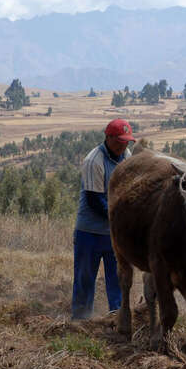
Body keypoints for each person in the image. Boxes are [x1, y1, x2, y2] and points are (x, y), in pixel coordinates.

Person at [71, 119, 135, 320]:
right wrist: (122, 217)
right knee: (85, 278)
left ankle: (116, 318)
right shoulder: (94, 160)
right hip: (89, 232)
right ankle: (81, 320)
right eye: (119, 141)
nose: (123, 145)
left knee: (117, 278)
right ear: (108, 138)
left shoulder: (127, 156)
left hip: (114, 233)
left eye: (126, 141)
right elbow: (95, 201)